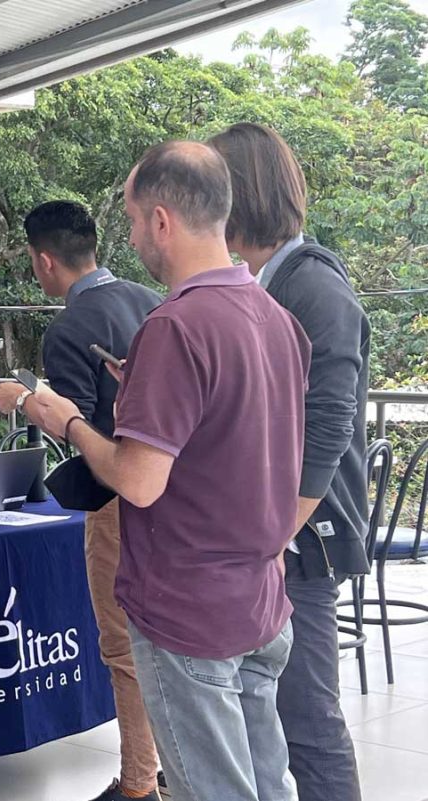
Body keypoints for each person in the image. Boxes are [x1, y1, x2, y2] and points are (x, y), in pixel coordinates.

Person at [0, 141, 311, 801]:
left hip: (189, 607)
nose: (133, 238)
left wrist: (65, 420)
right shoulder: (277, 317)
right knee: (268, 784)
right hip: (260, 596)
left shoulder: (177, 326)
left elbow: (138, 480)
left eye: (135, 221)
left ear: (162, 220)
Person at [210, 122, 370, 801]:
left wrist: (275, 535)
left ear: (235, 196)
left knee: (306, 719)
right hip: (272, 536)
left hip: (301, 541)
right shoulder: (267, 283)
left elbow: (329, 428)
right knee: (267, 716)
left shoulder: (314, 288)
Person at [0, 200, 163, 801]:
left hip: (117, 500)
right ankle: (171, 770)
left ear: (43, 261)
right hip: (174, 496)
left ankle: (139, 784)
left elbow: (79, 427)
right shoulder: (154, 301)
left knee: (122, 644)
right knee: (166, 643)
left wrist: (22, 400)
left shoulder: (70, 327)